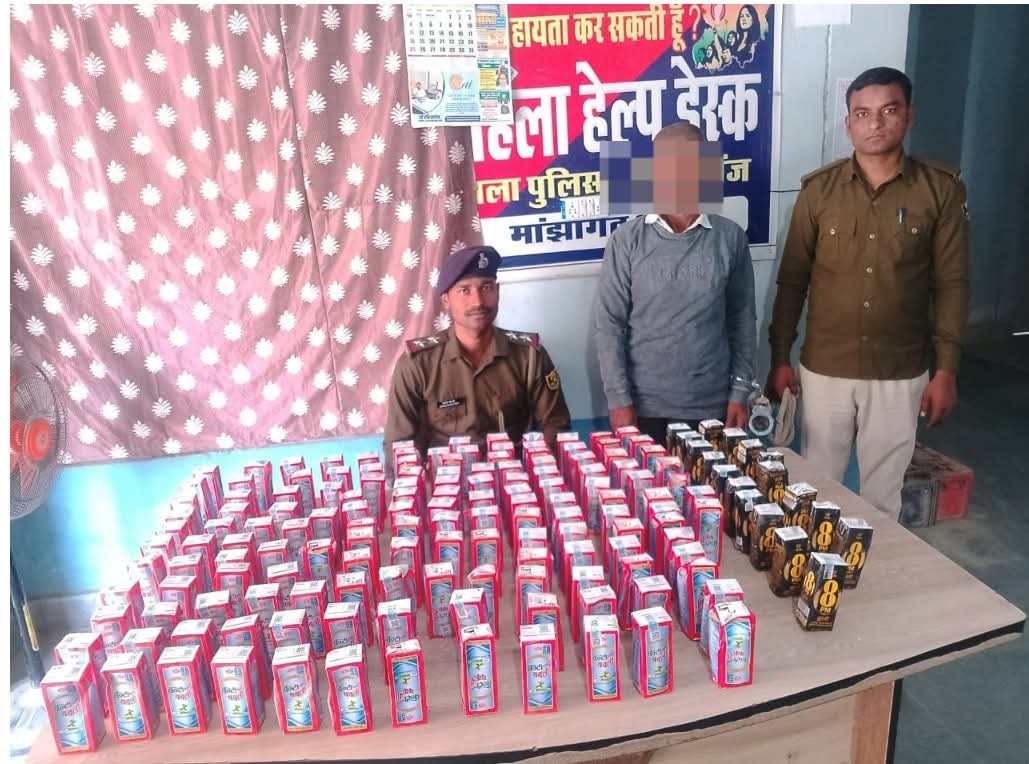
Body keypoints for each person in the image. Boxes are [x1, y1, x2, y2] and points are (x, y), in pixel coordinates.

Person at [766, 66, 969, 519]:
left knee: (882, 497)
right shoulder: (819, 191)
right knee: (814, 491)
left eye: (888, 111)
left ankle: (875, 564)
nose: (875, 123)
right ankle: (813, 567)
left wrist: (947, 370)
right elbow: (792, 280)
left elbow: (952, 284)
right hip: (826, 368)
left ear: (908, 116)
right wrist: (780, 357)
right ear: (848, 124)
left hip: (899, 370)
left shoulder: (939, 190)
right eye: (862, 113)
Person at [592, 121, 758, 445]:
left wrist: (741, 392)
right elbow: (610, 324)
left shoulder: (730, 238)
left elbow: (742, 320)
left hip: (714, 407)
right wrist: (618, 399)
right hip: (643, 409)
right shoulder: (627, 241)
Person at [384, 245, 571, 467]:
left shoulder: (529, 357)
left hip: (515, 477)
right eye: (465, 290)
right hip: (447, 479)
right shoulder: (417, 365)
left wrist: (543, 472)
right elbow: (399, 445)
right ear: (445, 300)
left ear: (498, 291)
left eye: (487, 287)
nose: (478, 302)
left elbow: (556, 426)